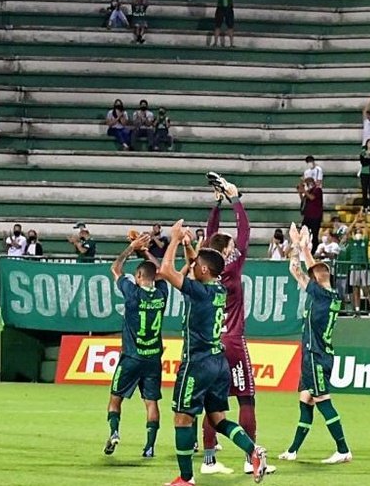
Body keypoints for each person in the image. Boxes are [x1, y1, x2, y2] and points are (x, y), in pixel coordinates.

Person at [155, 220, 268, 486]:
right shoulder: (218, 288)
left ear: (204, 270)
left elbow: (166, 270)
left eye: (196, 266)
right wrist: (188, 245)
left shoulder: (198, 290)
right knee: (218, 420)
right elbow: (199, 264)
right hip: (219, 362)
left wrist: (172, 239)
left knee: (182, 418)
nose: (192, 267)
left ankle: (185, 479)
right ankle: (253, 451)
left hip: (197, 362)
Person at [198, 175, 273, 475]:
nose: (233, 248)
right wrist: (235, 200)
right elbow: (245, 231)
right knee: (246, 399)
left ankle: (208, 462)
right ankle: (249, 459)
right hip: (232, 341)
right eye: (229, 247)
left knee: (212, 404)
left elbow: (208, 240)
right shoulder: (231, 268)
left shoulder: (205, 271)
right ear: (226, 252)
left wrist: (216, 207)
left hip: (210, 343)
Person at [277, 224, 352, 465]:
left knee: (321, 400)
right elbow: (307, 270)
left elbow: (295, 269)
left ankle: (343, 449)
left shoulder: (319, 294)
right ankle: (293, 449)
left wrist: (297, 246)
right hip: (319, 353)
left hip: (315, 354)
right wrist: (302, 246)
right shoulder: (331, 295)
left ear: (318, 280)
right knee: (305, 400)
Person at [103, 234, 168, 459]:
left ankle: (114, 432)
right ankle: (149, 447)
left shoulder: (132, 293)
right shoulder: (162, 294)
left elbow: (115, 269)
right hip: (153, 360)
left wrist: (131, 248)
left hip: (131, 356)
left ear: (138, 275)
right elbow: (161, 273)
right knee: (151, 403)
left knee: (115, 398)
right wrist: (146, 252)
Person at [347, 217, 370, 314]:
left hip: (364, 268)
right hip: (354, 268)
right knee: (355, 289)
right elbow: (347, 232)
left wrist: (363, 223)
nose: (358, 233)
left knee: (367, 289)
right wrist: (355, 221)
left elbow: (368, 232)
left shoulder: (364, 242)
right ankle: (357, 309)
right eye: (357, 232)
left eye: (360, 232)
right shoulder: (352, 242)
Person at [298, 176, 323, 243]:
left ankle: (314, 248)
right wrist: (300, 192)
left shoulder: (317, 190)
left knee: (314, 234)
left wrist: (304, 191)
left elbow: (312, 197)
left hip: (315, 216)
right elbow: (303, 200)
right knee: (303, 231)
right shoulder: (309, 191)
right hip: (308, 216)